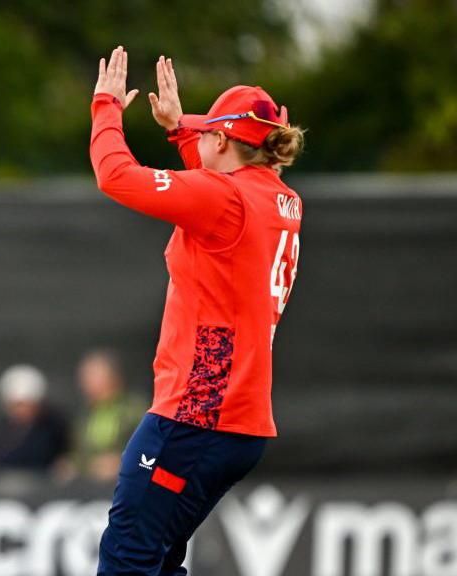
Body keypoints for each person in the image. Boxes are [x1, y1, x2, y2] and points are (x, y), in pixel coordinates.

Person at [89, 48, 305, 575]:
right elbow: (220, 198)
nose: (200, 135)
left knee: (127, 560)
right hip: (239, 423)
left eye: (210, 131)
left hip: (196, 412)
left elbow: (116, 176)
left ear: (225, 141)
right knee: (158, 560)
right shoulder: (281, 200)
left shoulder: (225, 200)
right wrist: (185, 129)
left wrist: (106, 107)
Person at [0, 364, 71, 472]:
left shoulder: (51, 427)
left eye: (25, 404)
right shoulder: (1, 428)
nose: (21, 410)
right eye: (16, 405)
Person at [74, 349, 145, 482]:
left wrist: (123, 461)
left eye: (91, 375)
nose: (84, 383)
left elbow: (152, 449)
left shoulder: (135, 409)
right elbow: (79, 454)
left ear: (112, 377)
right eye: (83, 377)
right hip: (92, 489)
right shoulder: (86, 414)